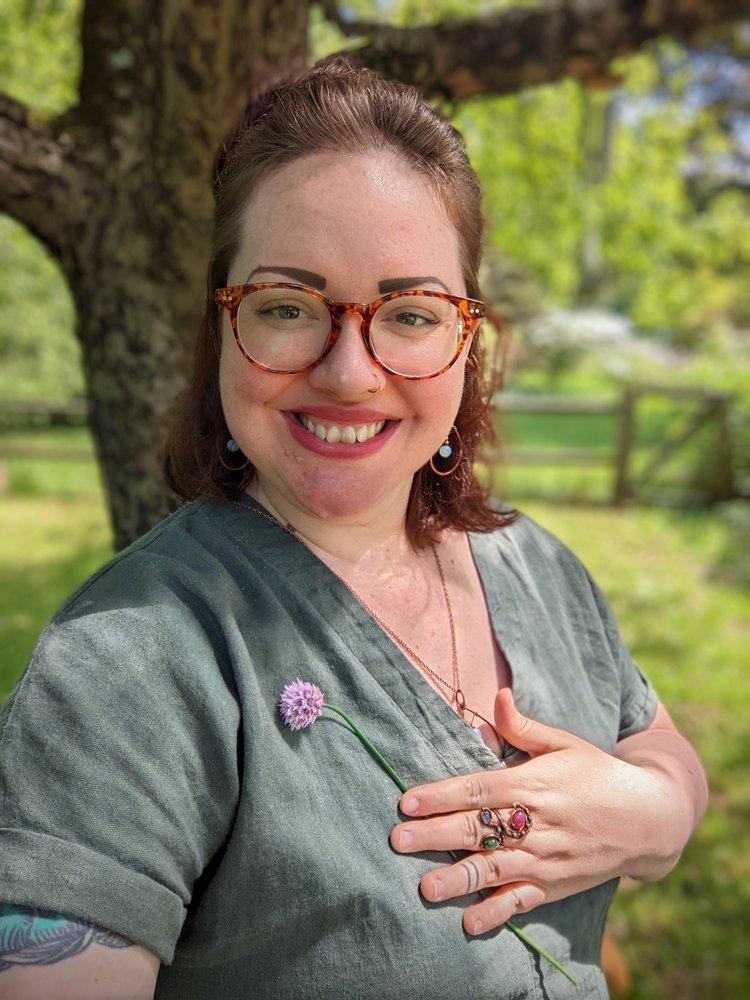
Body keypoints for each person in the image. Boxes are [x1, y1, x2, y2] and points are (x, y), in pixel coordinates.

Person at [0, 56, 707, 1000]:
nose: (349, 372)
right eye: (289, 306)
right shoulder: (126, 666)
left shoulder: (536, 565)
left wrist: (660, 814)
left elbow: (657, 745)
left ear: (466, 341)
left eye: (409, 313)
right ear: (225, 326)